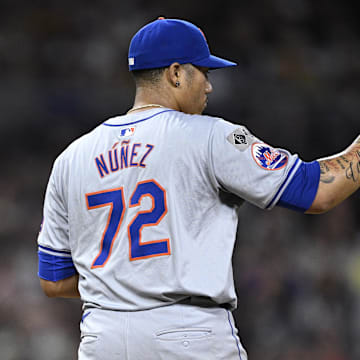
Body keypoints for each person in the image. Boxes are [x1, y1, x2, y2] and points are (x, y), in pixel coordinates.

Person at [37, 17, 360, 360]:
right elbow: (319, 192)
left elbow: (54, 282)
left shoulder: (70, 159)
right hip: (188, 332)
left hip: (104, 338)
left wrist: (124, 285)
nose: (209, 87)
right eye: (204, 72)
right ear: (176, 73)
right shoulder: (208, 136)